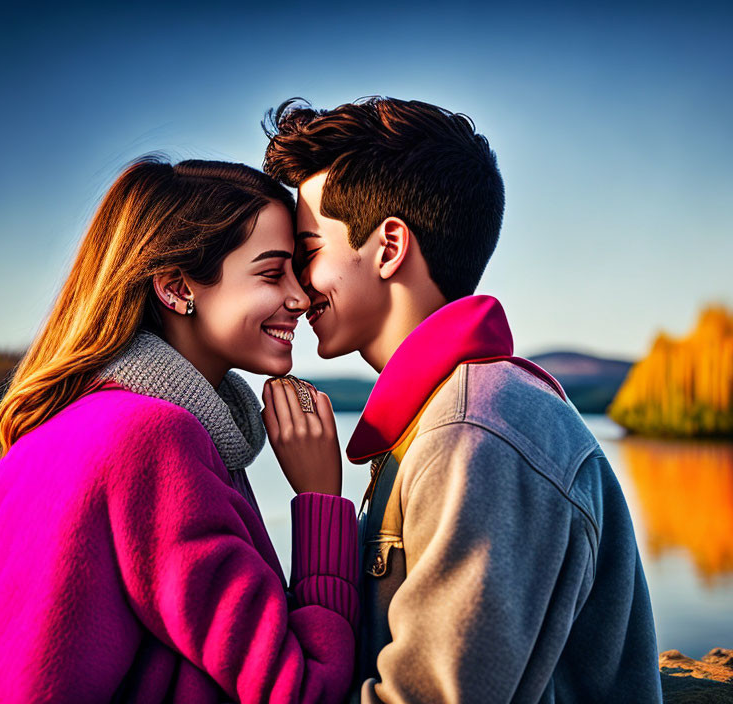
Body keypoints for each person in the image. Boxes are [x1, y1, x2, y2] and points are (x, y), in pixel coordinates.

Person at [261, 97, 662, 702]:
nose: (293, 285)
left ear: (389, 248)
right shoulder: (440, 417)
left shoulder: (476, 432)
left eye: (308, 252)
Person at [0, 158, 359, 704]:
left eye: (298, 271)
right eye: (271, 273)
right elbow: (303, 691)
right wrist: (319, 501)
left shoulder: (44, 433)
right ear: (175, 288)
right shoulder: (152, 440)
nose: (301, 296)